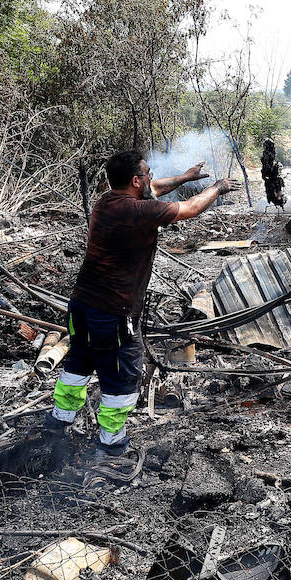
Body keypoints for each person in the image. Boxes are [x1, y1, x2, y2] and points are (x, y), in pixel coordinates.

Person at [46, 150, 237, 455]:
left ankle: (60, 419)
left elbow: (157, 187)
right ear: (136, 181)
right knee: (122, 374)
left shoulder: (106, 200)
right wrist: (217, 188)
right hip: (113, 313)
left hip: (80, 307)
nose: (151, 177)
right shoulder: (138, 212)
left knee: (79, 361)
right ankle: (110, 441)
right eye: (147, 173)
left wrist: (187, 176)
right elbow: (189, 208)